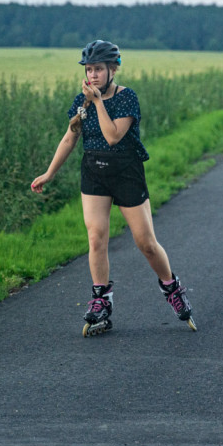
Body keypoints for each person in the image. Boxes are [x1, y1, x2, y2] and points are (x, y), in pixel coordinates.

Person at [31, 40, 195, 336]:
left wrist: (97, 103)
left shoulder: (126, 98)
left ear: (113, 70)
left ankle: (172, 287)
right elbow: (70, 138)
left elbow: (113, 136)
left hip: (126, 172)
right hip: (94, 172)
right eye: (89, 70)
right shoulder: (81, 101)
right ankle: (101, 301)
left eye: (98, 69)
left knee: (146, 243)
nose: (92, 75)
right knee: (96, 238)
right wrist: (49, 173)